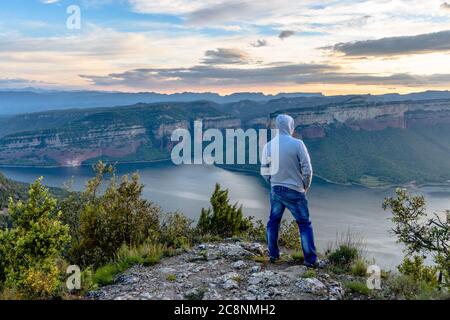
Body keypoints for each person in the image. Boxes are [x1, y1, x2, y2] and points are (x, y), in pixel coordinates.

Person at [261, 114, 318, 267]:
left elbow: (264, 171)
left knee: (273, 222)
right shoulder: (297, 144)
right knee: (304, 224)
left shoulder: (268, 146)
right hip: (295, 190)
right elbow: (308, 170)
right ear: (290, 126)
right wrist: (305, 186)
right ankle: (310, 261)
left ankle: (273, 255)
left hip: (276, 190)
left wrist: (272, 183)